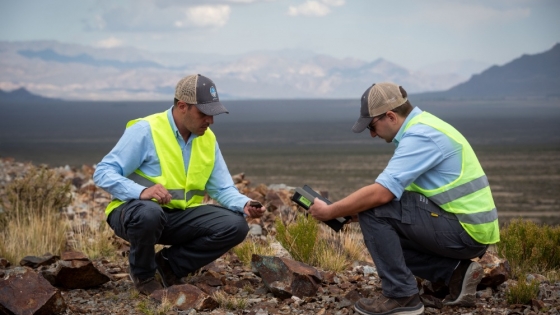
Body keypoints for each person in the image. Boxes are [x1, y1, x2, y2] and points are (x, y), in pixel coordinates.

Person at [308, 82, 499, 315]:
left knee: (374, 209)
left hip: (464, 232)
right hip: (467, 229)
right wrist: (353, 214)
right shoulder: (426, 126)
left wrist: (331, 212)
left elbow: (382, 194)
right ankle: (455, 272)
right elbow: (403, 201)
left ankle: (402, 296)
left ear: (390, 116)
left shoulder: (421, 136)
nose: (371, 134)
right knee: (377, 222)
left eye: (372, 126)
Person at [93, 74, 265, 295]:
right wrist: (142, 191)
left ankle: (168, 265)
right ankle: (144, 276)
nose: (210, 121)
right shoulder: (146, 130)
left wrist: (245, 204)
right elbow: (103, 172)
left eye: (213, 115)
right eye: (204, 114)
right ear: (182, 106)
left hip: (176, 218)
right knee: (149, 213)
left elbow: (222, 188)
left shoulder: (207, 138)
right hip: (134, 214)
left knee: (235, 225)